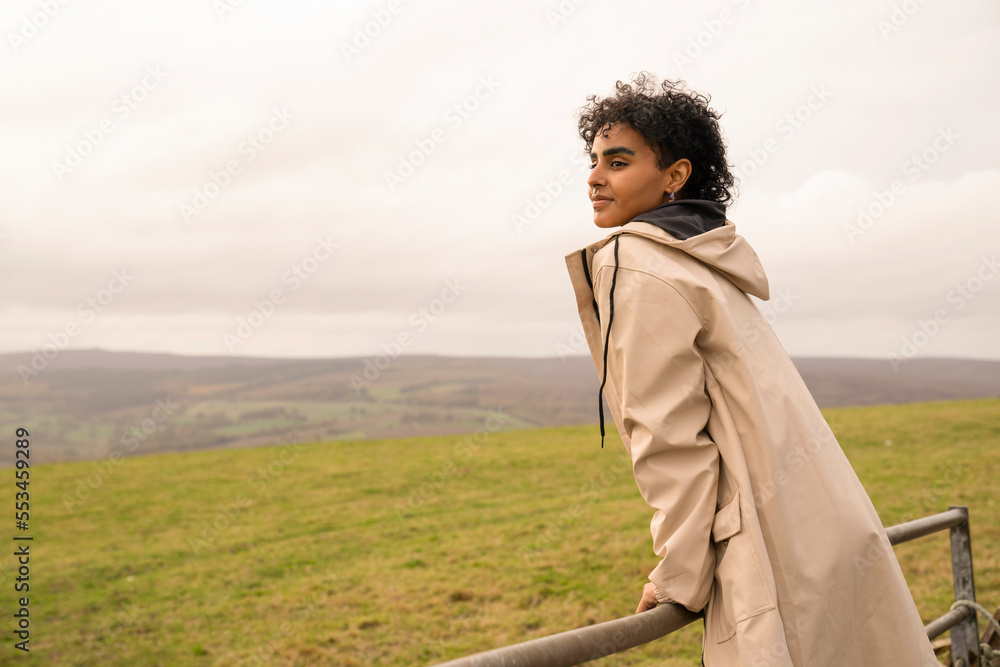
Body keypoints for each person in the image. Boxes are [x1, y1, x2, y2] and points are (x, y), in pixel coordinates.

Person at [563, 72, 939, 666]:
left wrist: (678, 574)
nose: (593, 177)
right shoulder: (703, 262)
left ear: (675, 175)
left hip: (769, 553)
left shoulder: (634, 263)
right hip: (822, 530)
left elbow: (669, 437)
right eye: (593, 161)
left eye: (617, 161)